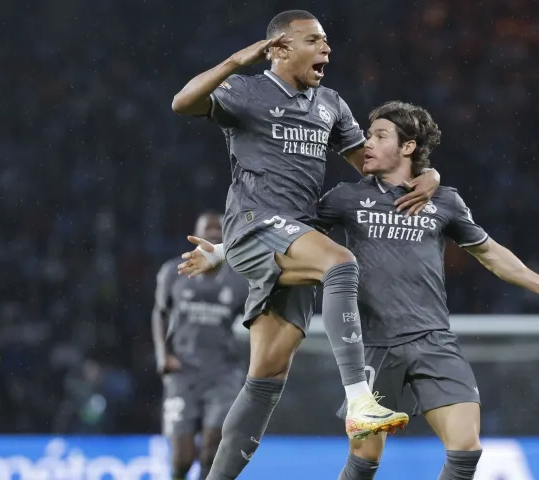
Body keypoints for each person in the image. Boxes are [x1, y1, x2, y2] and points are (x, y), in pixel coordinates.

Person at [180, 101, 539, 480]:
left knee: (466, 449)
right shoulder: (345, 197)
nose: (366, 143)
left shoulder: (444, 201)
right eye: (368, 134)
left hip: (434, 340)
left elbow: (490, 253)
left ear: (408, 147)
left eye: (380, 135)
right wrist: (220, 252)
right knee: (364, 462)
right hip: (373, 345)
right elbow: (286, 234)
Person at [171, 9, 440, 479]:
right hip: (256, 224)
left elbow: (371, 166)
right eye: (314, 41)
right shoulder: (248, 90)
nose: (326, 49)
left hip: (292, 236)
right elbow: (182, 102)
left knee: (265, 380)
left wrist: (428, 174)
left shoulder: (330, 103)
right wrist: (240, 58)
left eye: (327, 41)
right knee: (340, 263)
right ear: (280, 47)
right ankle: (360, 400)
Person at [153, 213, 249, 480]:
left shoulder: (239, 279)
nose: (215, 233)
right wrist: (163, 356)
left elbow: (258, 320)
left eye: (220, 229)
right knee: (183, 458)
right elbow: (159, 312)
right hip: (182, 372)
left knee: (211, 451)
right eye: (209, 229)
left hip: (223, 374)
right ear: (195, 235)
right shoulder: (173, 272)